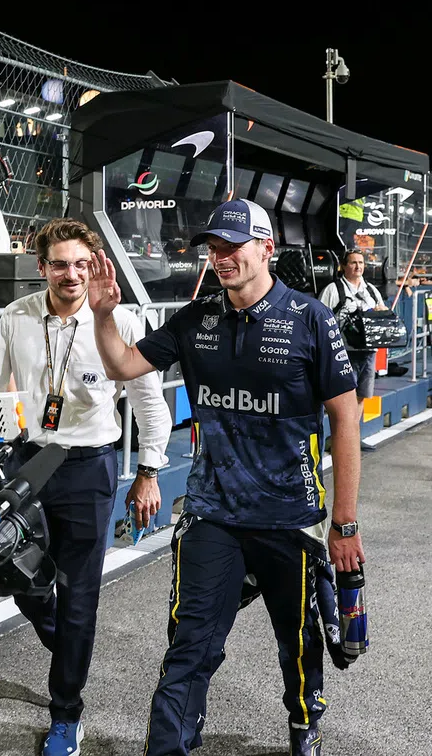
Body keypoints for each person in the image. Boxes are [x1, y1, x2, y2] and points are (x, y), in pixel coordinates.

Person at [87, 199, 365, 756]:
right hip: (212, 515)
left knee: (302, 646)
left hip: (291, 518)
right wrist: (101, 315)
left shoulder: (311, 318)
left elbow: (345, 416)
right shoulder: (196, 320)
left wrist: (345, 523)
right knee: (189, 648)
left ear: (268, 248)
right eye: (214, 248)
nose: (221, 258)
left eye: (233, 246)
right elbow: (120, 366)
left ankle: (303, 722)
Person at [0, 218, 172, 756]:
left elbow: (150, 403)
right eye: (60, 264)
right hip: (30, 464)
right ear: (42, 267)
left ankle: (66, 713)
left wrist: (148, 471)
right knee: (22, 579)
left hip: (90, 469)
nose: (72, 274)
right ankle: (68, 645)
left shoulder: (117, 320)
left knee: (80, 595)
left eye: (82, 264)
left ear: (95, 266)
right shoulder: (17, 316)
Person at [318, 250, 388, 451]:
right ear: (343, 266)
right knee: (341, 398)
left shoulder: (372, 291)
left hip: (367, 352)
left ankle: (351, 438)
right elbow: (320, 321)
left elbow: (382, 319)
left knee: (361, 396)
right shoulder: (333, 290)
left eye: (361, 263)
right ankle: (336, 438)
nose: (358, 267)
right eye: (353, 263)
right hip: (342, 353)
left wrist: (382, 313)